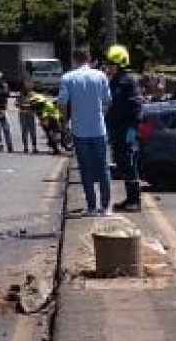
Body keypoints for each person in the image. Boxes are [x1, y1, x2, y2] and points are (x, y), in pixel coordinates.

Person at [58, 46, 111, 215]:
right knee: (103, 167)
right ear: (89, 58)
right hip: (98, 128)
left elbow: (62, 103)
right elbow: (107, 101)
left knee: (85, 168)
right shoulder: (100, 76)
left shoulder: (68, 78)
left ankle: (91, 206)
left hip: (79, 130)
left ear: (74, 60)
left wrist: (65, 122)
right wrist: (100, 115)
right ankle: (106, 206)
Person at [105, 44, 142, 212]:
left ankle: (135, 200)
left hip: (128, 129)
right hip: (118, 129)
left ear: (119, 64)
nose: (108, 66)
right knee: (122, 161)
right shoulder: (115, 81)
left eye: (111, 63)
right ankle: (129, 198)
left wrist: (130, 132)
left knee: (129, 160)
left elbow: (135, 109)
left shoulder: (127, 82)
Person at [16, 79, 39, 154]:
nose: (26, 87)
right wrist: (21, 105)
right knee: (24, 131)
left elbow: (36, 104)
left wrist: (28, 106)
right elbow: (16, 103)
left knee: (32, 131)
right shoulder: (20, 94)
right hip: (22, 114)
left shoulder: (33, 94)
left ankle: (34, 147)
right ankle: (25, 147)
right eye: (25, 85)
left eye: (28, 85)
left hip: (30, 114)